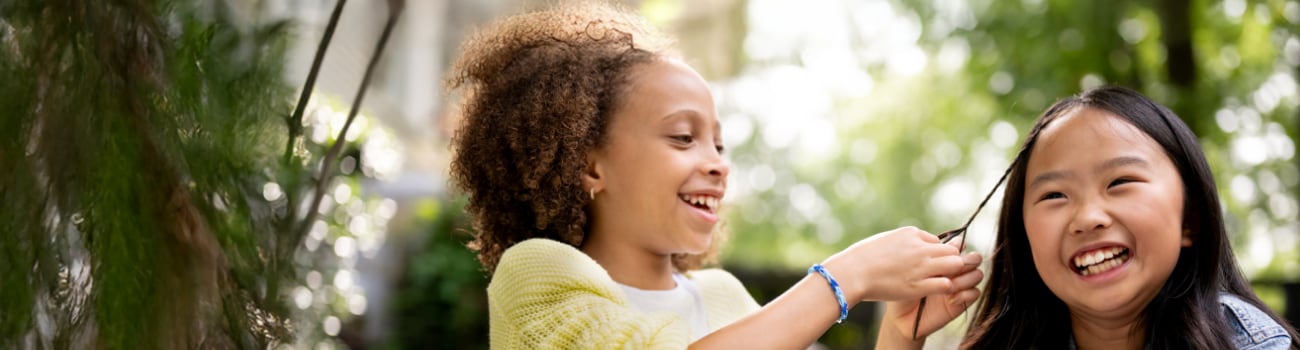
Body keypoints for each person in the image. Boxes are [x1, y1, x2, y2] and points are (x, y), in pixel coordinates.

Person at [446, 2, 983, 348]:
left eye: (719, 145)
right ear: (590, 165)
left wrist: (898, 332)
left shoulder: (723, 297)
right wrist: (846, 277)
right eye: (683, 137)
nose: (716, 163)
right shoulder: (536, 274)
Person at [881, 86, 1300, 349]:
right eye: (1054, 194)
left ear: (1190, 220)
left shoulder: (1245, 341)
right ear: (1024, 236)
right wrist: (902, 335)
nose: (1088, 216)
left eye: (1119, 182)